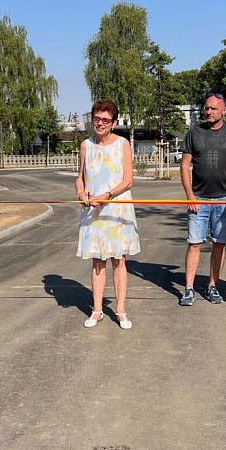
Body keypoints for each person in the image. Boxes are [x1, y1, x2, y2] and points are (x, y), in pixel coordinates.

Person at [178, 93, 226, 306]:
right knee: (194, 243)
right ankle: (188, 289)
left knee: (219, 244)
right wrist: (190, 196)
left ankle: (213, 285)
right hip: (199, 198)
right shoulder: (194, 132)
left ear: (224, 110)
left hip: (225, 198)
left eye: (213, 108)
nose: (209, 112)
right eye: (207, 108)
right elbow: (185, 165)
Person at [75, 99, 140, 329]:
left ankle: (121, 311)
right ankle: (97, 310)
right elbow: (80, 177)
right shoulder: (86, 145)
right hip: (94, 211)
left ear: (113, 122)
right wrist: (81, 192)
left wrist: (108, 195)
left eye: (105, 120)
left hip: (116, 209)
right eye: (96, 119)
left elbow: (128, 180)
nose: (100, 123)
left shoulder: (122, 144)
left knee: (119, 261)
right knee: (97, 262)